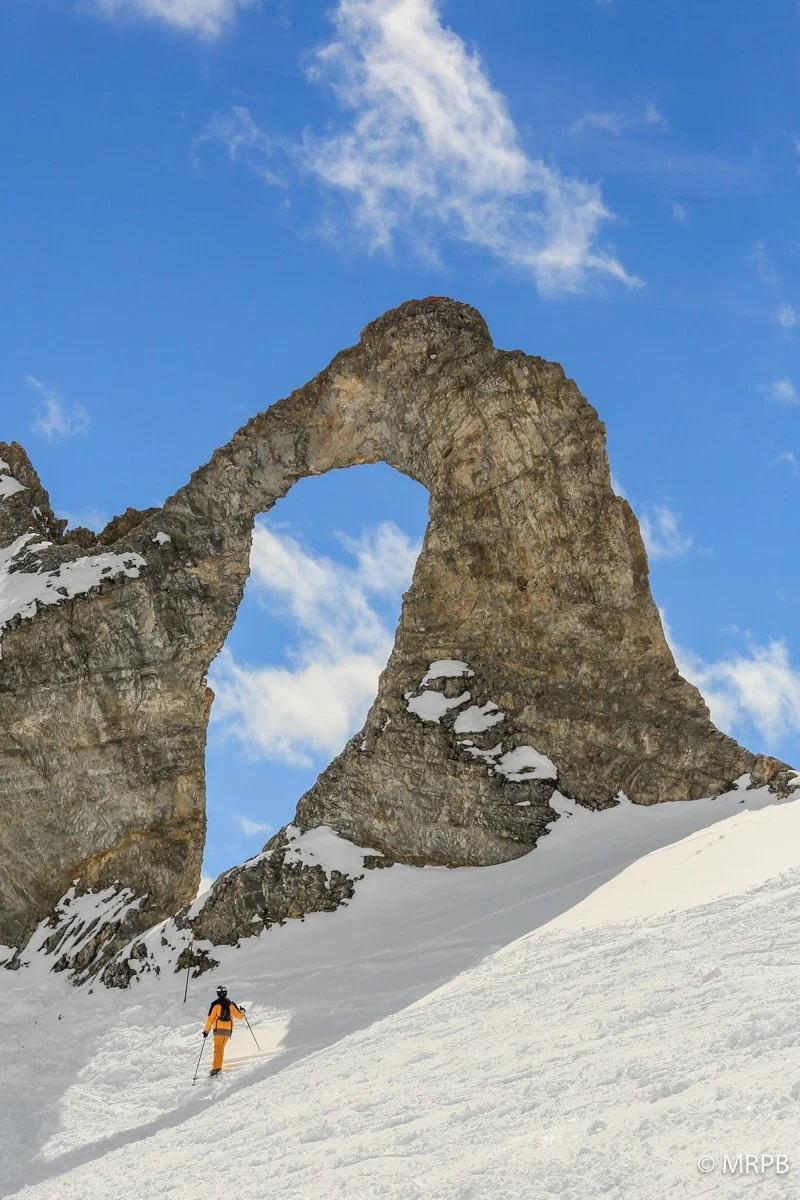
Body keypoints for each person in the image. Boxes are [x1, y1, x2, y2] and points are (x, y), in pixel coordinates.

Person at [203, 984, 246, 1076]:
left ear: (218, 993)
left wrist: (206, 1031)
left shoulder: (215, 1005)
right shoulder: (231, 1004)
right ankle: (217, 1067)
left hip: (218, 1030)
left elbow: (210, 1019)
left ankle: (216, 1069)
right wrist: (243, 1011)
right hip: (227, 1030)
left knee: (218, 1048)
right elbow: (239, 1016)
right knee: (220, 1048)